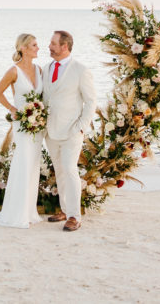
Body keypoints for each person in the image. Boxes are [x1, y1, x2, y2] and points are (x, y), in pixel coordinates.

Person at [42, 30, 96, 232]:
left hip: (72, 132)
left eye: (53, 43)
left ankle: (75, 216)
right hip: (51, 131)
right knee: (60, 171)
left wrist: (80, 126)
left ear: (64, 46)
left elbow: (91, 101)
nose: (49, 46)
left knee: (70, 169)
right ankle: (64, 210)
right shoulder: (46, 68)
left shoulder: (81, 70)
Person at [0, 33, 44, 228]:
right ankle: (16, 213)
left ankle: (29, 212)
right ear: (23, 48)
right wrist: (13, 109)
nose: (38, 48)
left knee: (33, 165)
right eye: (34, 45)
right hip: (22, 124)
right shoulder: (14, 71)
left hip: (37, 126)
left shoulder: (39, 70)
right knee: (23, 163)